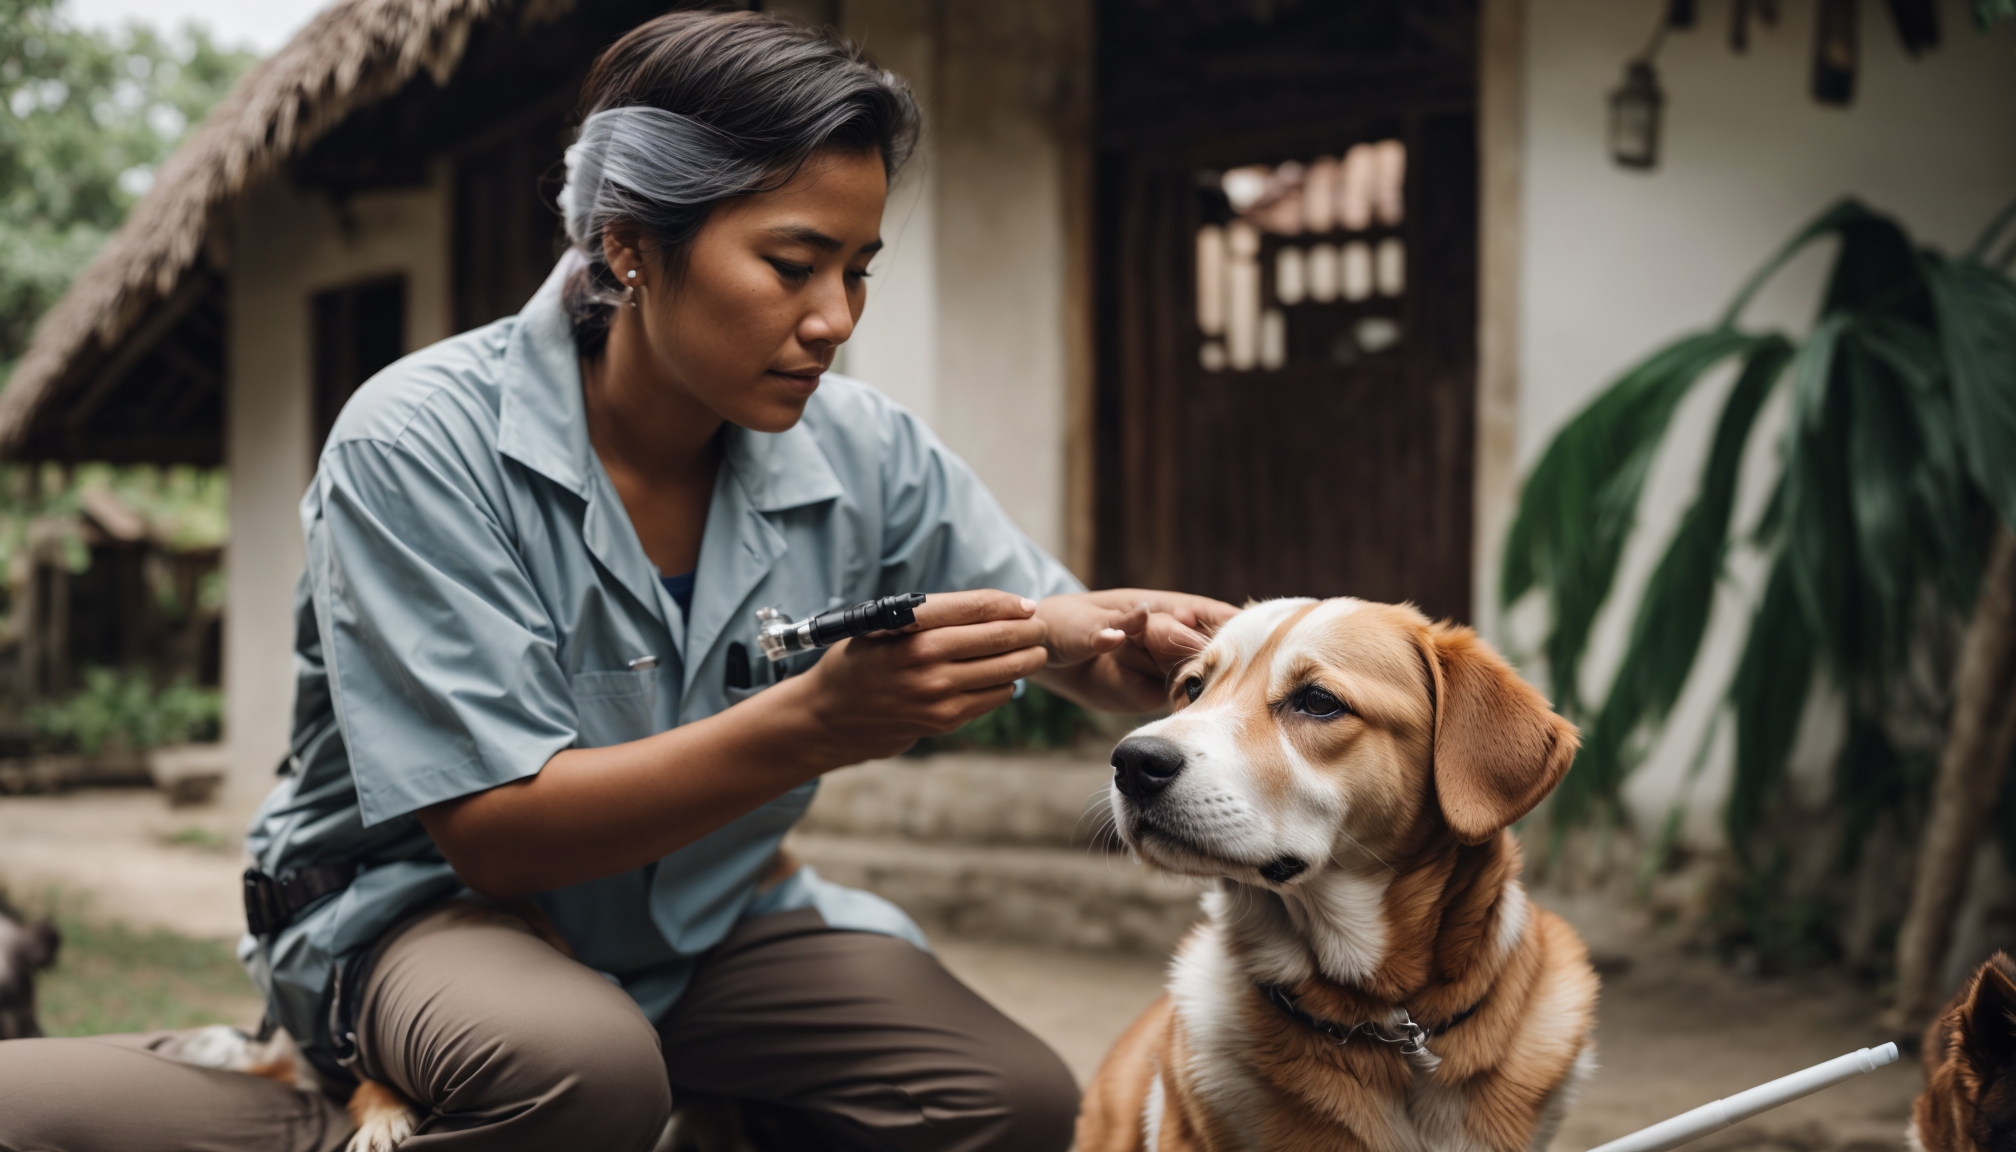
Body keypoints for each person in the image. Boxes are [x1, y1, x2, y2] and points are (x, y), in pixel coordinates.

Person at [0, 11, 1234, 1152]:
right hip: (416, 916)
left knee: (1002, 1100)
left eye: (857, 270)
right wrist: (814, 720)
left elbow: (1047, 627)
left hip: (700, 928)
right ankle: (299, 1106)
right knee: (579, 1071)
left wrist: (1115, 654)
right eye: (793, 263)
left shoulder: (869, 453)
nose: (834, 318)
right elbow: (497, 835)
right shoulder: (421, 442)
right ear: (629, 248)